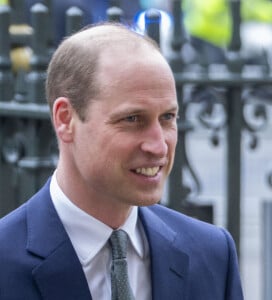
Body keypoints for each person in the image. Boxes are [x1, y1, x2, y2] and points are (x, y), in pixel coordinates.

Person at [0, 23, 243, 299]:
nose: (158, 145)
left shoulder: (211, 254)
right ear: (65, 119)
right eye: (132, 119)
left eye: (167, 118)